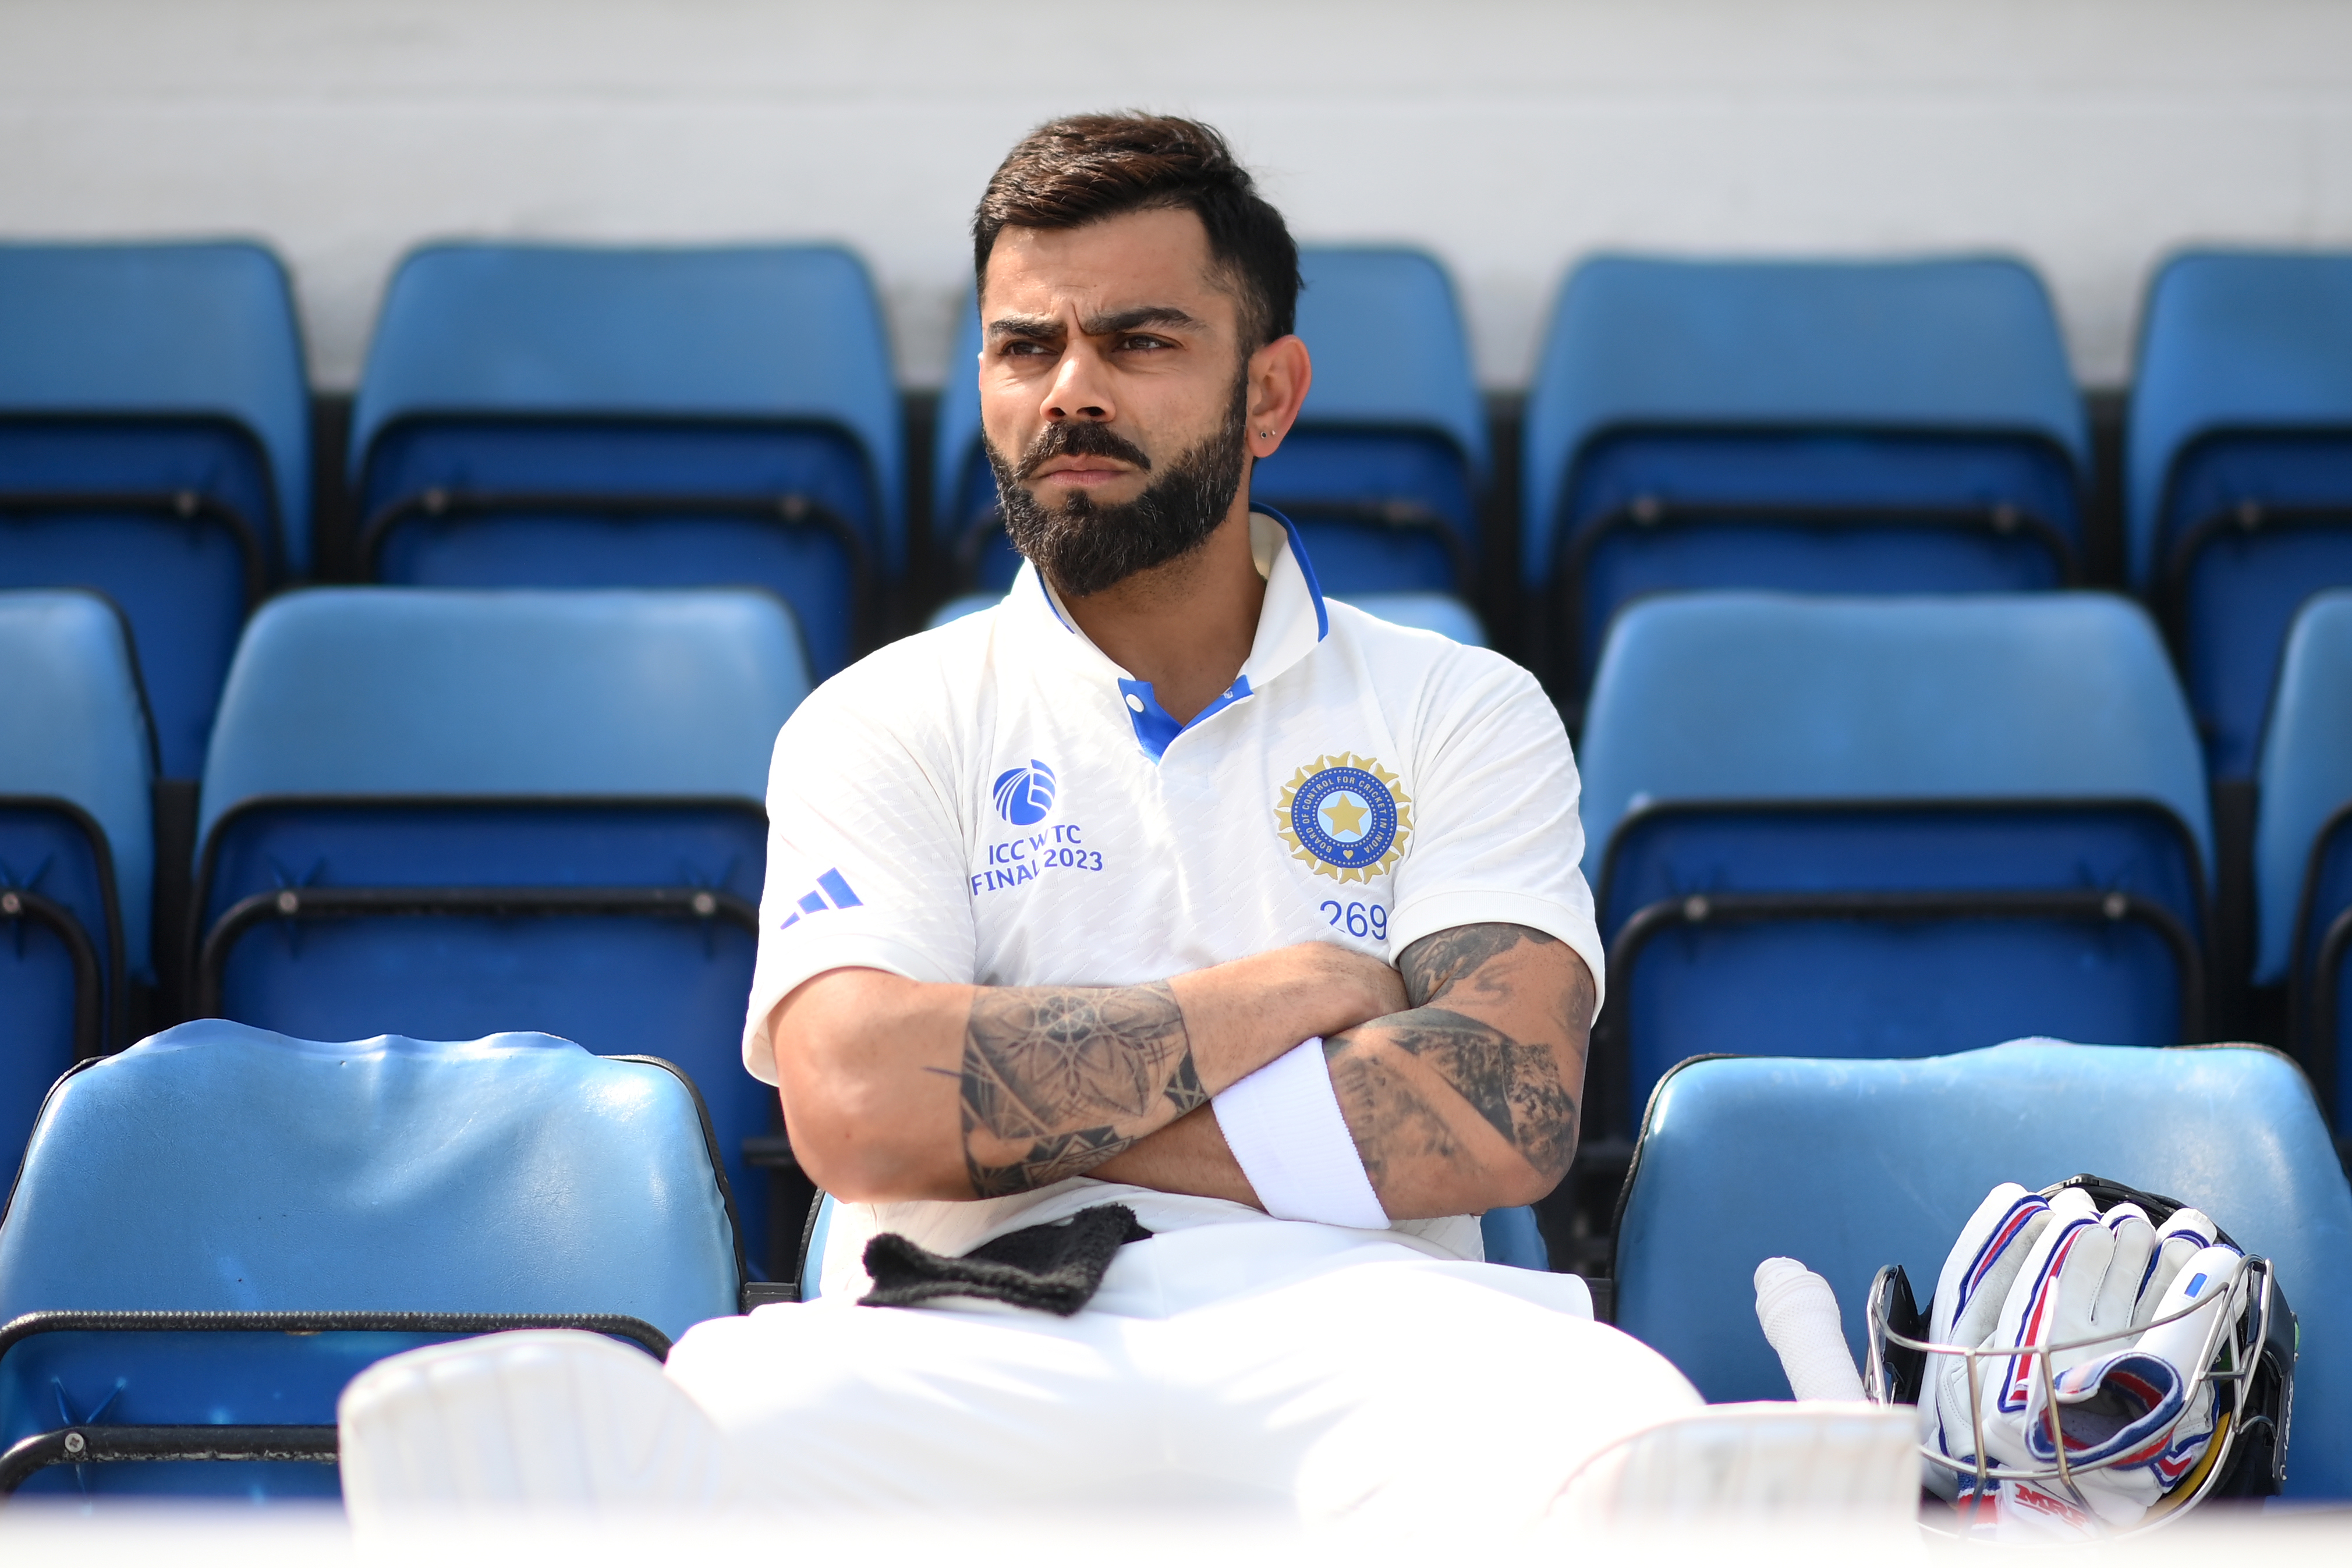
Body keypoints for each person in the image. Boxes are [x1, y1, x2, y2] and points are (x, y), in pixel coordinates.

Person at [337, 111, 1702, 1527]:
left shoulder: (1459, 706)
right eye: (1025, 346)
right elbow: (861, 1106)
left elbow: (1499, 1113)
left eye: (1142, 342)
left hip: (1375, 1319)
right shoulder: (879, 717)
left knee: (1620, 1422)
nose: (1072, 389)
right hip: (973, 1314)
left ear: (1270, 397)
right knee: (729, 1414)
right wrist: (1277, 999)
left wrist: (989, 1093)